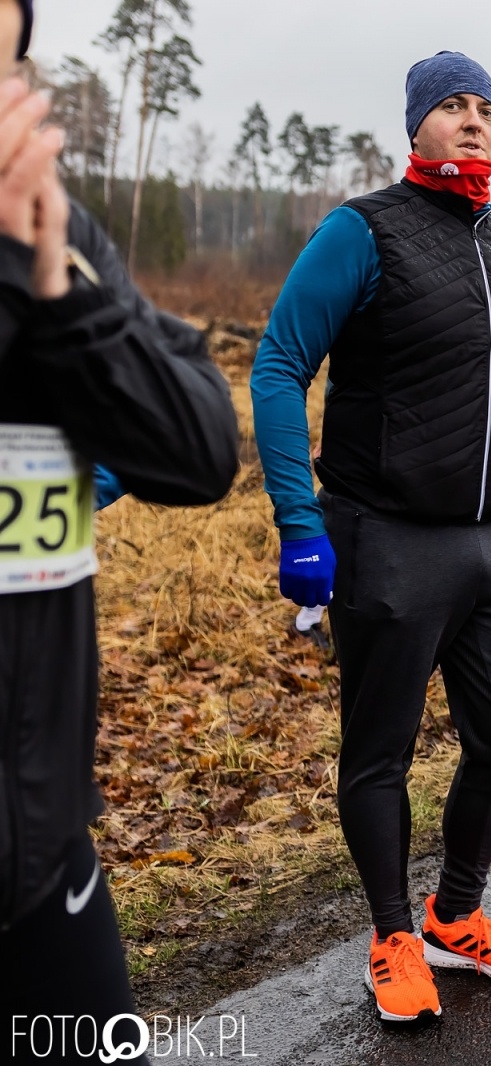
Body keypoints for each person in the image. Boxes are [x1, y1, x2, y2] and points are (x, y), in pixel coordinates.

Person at [251, 52, 491, 1023]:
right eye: (452, 106)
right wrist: (300, 523)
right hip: (385, 531)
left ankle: (454, 916)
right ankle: (392, 938)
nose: (473, 120)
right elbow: (278, 365)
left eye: (486, 108)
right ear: (417, 125)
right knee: (380, 749)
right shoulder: (364, 228)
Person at [0, 1, 241, 1055]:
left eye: (5, 65)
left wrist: (57, 296)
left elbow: (200, 451)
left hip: (42, 850)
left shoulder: (54, 234)